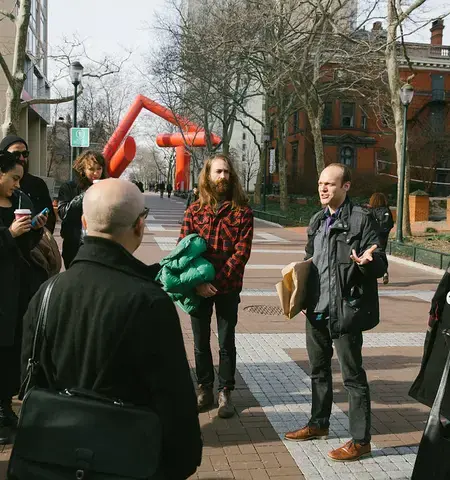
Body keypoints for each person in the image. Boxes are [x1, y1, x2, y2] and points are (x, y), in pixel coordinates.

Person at [21, 179, 202, 479]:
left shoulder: (47, 292)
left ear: (83, 222)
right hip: (127, 458)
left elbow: (27, 375)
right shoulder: (150, 303)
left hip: (55, 456)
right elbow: (174, 400)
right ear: (139, 226)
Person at [284, 163, 387, 461]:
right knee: (318, 371)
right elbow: (309, 259)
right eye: (320, 184)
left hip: (345, 312)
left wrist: (370, 261)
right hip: (315, 311)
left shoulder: (362, 219)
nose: (323, 189)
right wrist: (299, 288)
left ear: (346, 187)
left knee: (353, 376)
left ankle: (360, 441)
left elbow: (379, 261)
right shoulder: (317, 221)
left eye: (330, 184)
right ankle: (318, 423)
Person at [179, 154, 254, 418]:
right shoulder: (194, 211)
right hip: (198, 287)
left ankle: (226, 391)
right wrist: (199, 282)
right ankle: (204, 388)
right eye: (218, 172)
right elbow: (184, 250)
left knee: (226, 342)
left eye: (226, 172)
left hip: (228, 287)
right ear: (208, 176)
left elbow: (241, 253)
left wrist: (217, 282)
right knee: (200, 342)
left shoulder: (242, 212)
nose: (223, 177)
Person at [0, 151, 47, 445]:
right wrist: (8, 234)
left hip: (15, 288)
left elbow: (25, 246)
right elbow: (10, 239)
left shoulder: (20, 202)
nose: (18, 184)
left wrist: (34, 229)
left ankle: (4, 407)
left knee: (10, 348)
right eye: (14, 178)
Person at [57, 150, 108, 269]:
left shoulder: (106, 186)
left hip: (99, 245)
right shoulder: (69, 187)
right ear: (83, 170)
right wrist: (86, 194)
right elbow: (63, 213)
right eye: (91, 169)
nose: (96, 173)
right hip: (74, 244)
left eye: (99, 169)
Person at [0, 135, 56, 233]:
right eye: (16, 154)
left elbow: (50, 218)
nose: (21, 158)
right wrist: (11, 233)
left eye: (25, 154)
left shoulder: (37, 184)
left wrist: (36, 227)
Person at [368, 192, 394, 284]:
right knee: (381, 251)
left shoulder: (370, 211)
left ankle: (372, 273)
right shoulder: (386, 210)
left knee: (371, 253)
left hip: (372, 235)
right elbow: (390, 224)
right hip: (383, 235)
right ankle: (384, 271)